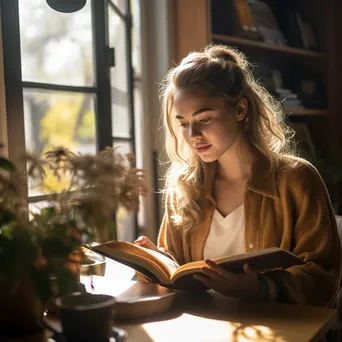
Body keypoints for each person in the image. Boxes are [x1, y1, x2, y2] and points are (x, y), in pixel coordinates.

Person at [134, 44, 341, 306]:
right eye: (184, 124)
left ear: (240, 110)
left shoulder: (296, 179)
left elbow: (324, 275)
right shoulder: (185, 187)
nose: (193, 135)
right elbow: (178, 270)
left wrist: (260, 289)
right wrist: (154, 261)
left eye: (205, 118)